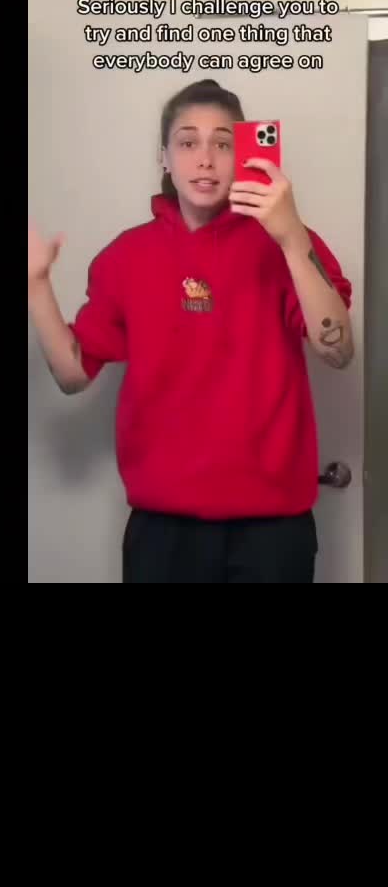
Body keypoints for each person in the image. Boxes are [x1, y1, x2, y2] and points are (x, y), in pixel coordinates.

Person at [28, 79, 354, 584]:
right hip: (163, 532)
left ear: (242, 153)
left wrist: (291, 237)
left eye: (222, 143)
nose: (205, 160)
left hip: (273, 532)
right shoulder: (126, 257)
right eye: (187, 142)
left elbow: (339, 350)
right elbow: (72, 375)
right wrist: (36, 286)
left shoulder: (288, 242)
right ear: (164, 157)